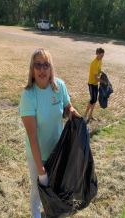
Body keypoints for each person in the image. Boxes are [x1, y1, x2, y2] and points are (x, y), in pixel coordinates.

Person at [18, 48, 81, 218]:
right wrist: (41, 171)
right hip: (37, 153)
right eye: (37, 65)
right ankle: (36, 215)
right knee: (38, 190)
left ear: (51, 68)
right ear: (32, 69)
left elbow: (68, 107)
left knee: (57, 186)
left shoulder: (59, 86)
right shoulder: (28, 96)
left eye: (46, 64)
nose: (42, 69)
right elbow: (32, 137)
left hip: (58, 151)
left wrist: (72, 111)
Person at [83, 47, 106, 122]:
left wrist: (102, 72)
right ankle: (85, 115)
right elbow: (96, 77)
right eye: (100, 56)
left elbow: (99, 70)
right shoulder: (94, 63)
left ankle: (91, 115)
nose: (101, 57)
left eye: (102, 56)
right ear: (97, 54)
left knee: (95, 100)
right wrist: (103, 81)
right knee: (92, 99)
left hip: (95, 83)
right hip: (91, 83)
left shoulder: (100, 61)